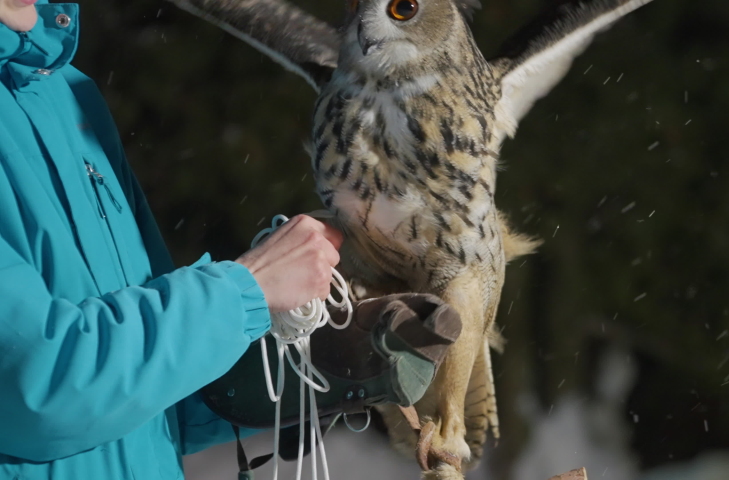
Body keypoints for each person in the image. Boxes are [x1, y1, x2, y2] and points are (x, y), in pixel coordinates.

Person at [0, 1, 460, 479]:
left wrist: (294, 358)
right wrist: (247, 289)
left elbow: (152, 396)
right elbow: (35, 391)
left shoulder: (64, 91)